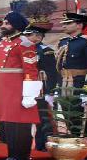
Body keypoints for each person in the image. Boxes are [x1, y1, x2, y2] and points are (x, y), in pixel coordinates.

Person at [0, 10, 41, 160]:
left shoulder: (25, 43)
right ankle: (12, 157)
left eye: (7, 23)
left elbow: (31, 69)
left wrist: (29, 94)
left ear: (16, 26)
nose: (3, 26)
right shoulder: (4, 42)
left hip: (18, 88)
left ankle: (22, 159)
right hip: (4, 89)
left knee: (21, 126)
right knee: (9, 125)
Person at [56, 10, 87, 160]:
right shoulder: (63, 42)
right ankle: (74, 151)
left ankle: (86, 155)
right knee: (70, 119)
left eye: (68, 23)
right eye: (64, 23)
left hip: (82, 86)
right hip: (66, 85)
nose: (64, 26)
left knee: (84, 121)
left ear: (79, 25)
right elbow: (59, 67)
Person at [25, 18, 61, 152]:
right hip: (26, 88)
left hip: (41, 89)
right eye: (28, 35)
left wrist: (50, 92)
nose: (28, 37)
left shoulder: (46, 51)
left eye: (31, 35)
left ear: (40, 36)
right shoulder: (22, 49)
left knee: (43, 119)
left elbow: (52, 73)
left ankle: (42, 146)